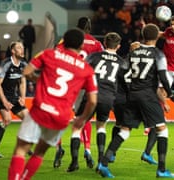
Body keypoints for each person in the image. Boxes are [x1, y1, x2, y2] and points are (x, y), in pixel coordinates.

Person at [8, 28, 98, 180]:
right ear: (82, 46)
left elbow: (26, 72)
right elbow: (93, 100)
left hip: (40, 110)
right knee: (39, 153)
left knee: (21, 150)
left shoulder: (48, 54)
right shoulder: (87, 69)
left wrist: (41, 80)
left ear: (63, 41)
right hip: (61, 117)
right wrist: (82, 119)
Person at [97, 23, 174, 178]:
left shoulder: (133, 53)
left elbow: (122, 70)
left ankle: (104, 162)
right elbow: (163, 76)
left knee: (124, 131)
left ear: (143, 36)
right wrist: (172, 95)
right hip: (148, 95)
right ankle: (162, 170)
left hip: (132, 95)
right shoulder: (158, 54)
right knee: (162, 129)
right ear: (156, 37)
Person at [67, 32, 124, 172]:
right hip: (108, 97)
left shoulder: (94, 56)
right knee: (101, 127)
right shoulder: (122, 62)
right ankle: (100, 161)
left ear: (104, 43)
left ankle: (74, 162)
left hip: (91, 95)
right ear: (119, 46)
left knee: (77, 127)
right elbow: (125, 83)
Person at [53, 16, 103, 169]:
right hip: (86, 84)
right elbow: (101, 60)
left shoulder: (69, 40)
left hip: (68, 83)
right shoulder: (96, 43)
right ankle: (87, 149)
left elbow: (56, 53)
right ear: (89, 27)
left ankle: (59, 148)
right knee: (84, 119)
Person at [0, 41, 29, 158]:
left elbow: (22, 82)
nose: (22, 49)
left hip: (13, 94)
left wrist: (22, 97)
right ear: (13, 51)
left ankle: (24, 147)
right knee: (7, 120)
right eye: (19, 48)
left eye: (22, 47)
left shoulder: (23, 64)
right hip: (0, 94)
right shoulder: (5, 64)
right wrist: (5, 101)